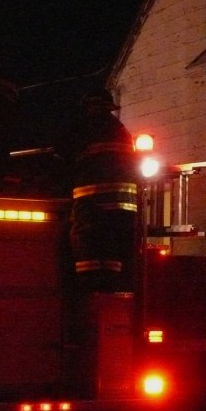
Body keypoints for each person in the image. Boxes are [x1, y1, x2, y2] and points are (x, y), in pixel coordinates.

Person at [65, 89, 140, 293]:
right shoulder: (121, 130)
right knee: (113, 256)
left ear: (88, 108)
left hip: (93, 202)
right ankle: (110, 294)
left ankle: (89, 294)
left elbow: (67, 157)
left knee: (87, 249)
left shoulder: (86, 128)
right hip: (125, 207)